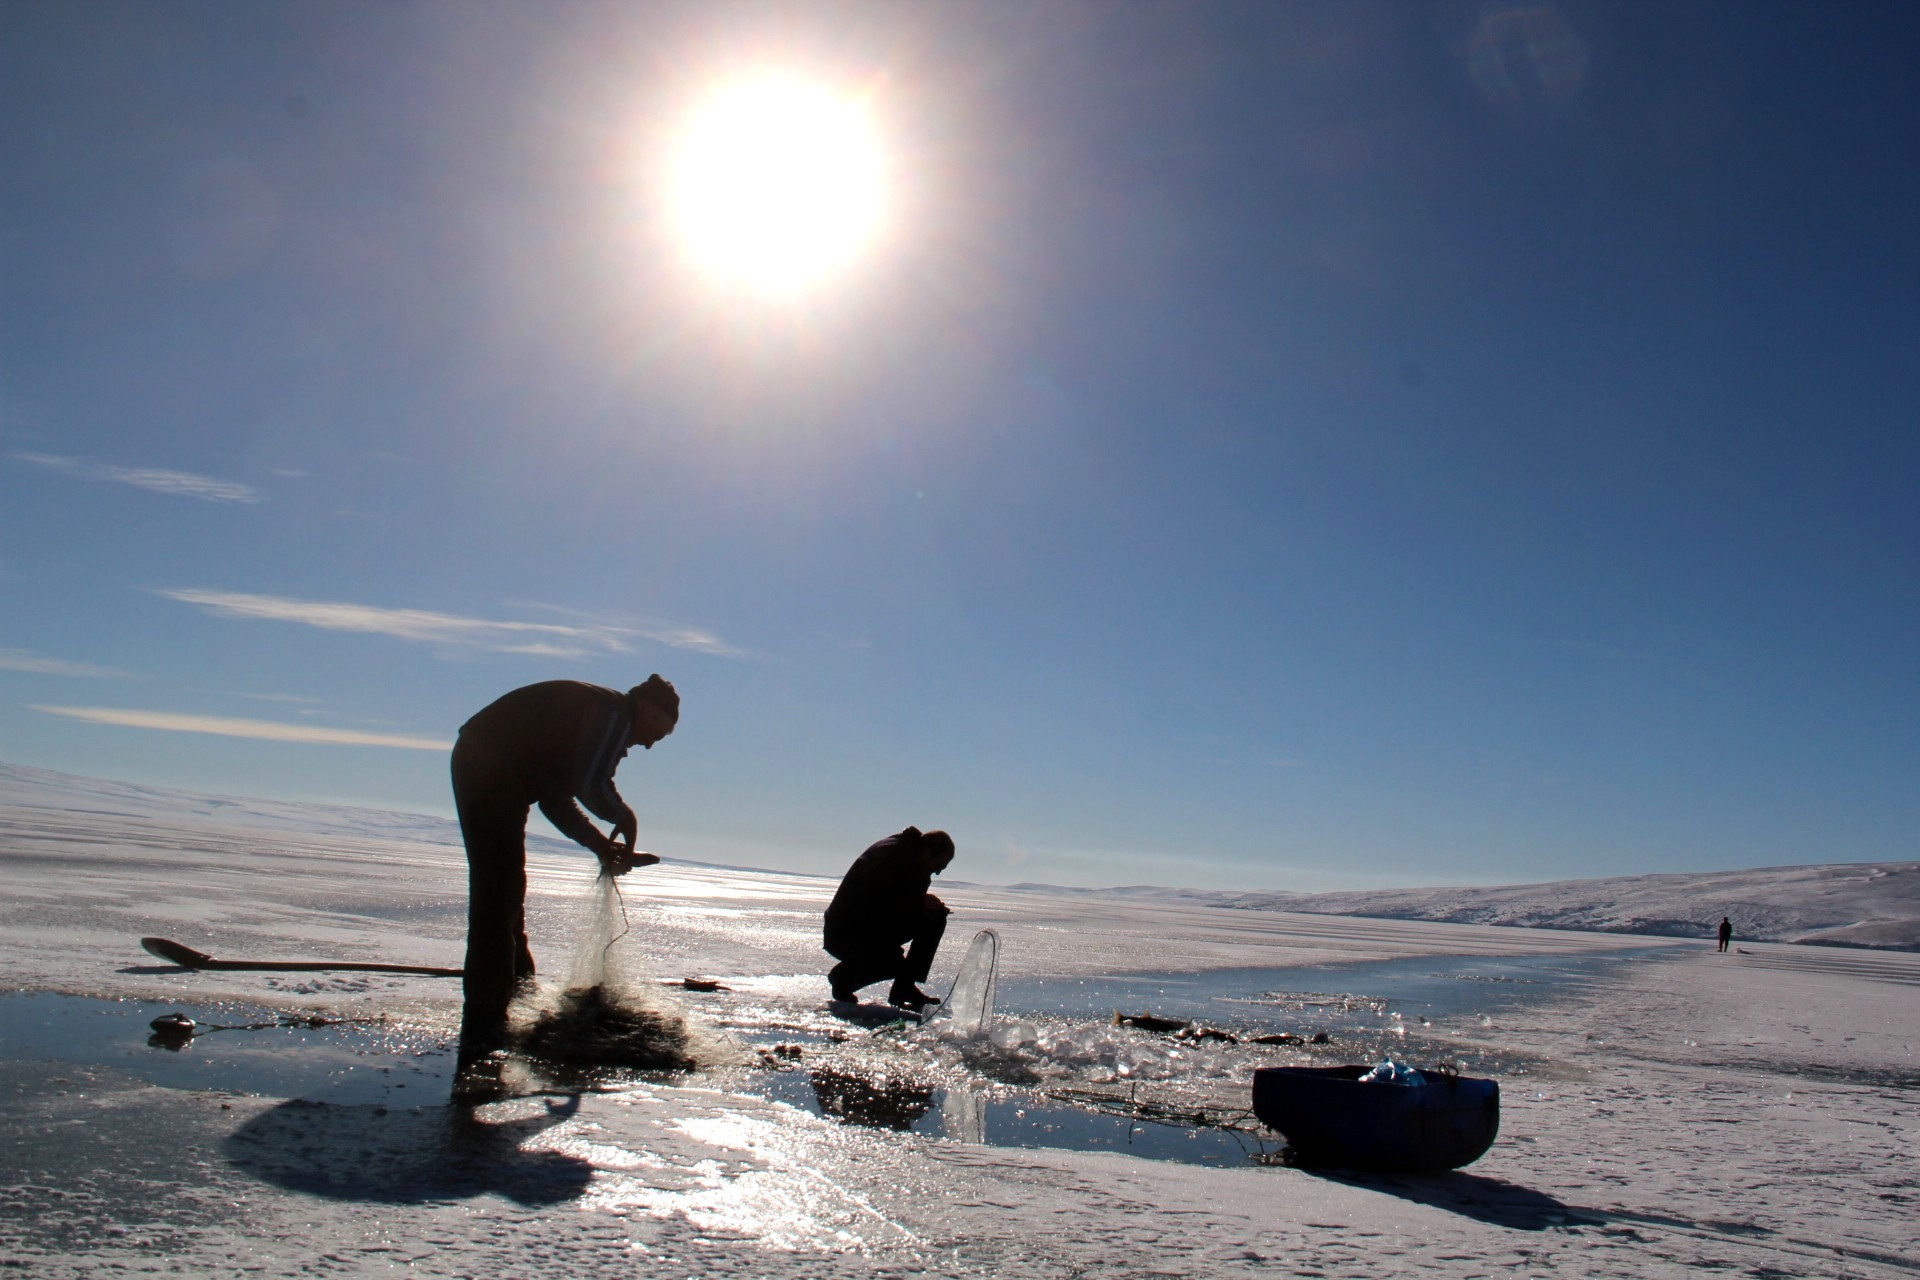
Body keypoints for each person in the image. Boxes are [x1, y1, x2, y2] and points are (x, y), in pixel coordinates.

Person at [450, 675, 679, 1040]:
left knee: (506, 891)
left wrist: (600, 845)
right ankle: (485, 1021)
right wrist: (623, 816)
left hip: (487, 764)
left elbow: (555, 800)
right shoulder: (614, 714)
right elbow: (593, 784)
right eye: (658, 733)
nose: (648, 744)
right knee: (496, 895)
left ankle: (517, 996)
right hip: (488, 764)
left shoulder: (587, 724)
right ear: (649, 711)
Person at [824, 826, 955, 1010]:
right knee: (892, 962)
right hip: (846, 933)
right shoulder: (891, 854)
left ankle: (904, 988)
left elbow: (900, 907)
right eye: (938, 866)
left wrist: (928, 906)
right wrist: (920, 901)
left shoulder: (914, 864)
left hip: (870, 928)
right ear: (927, 853)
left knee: (934, 919)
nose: (937, 872)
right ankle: (844, 978)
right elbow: (879, 899)